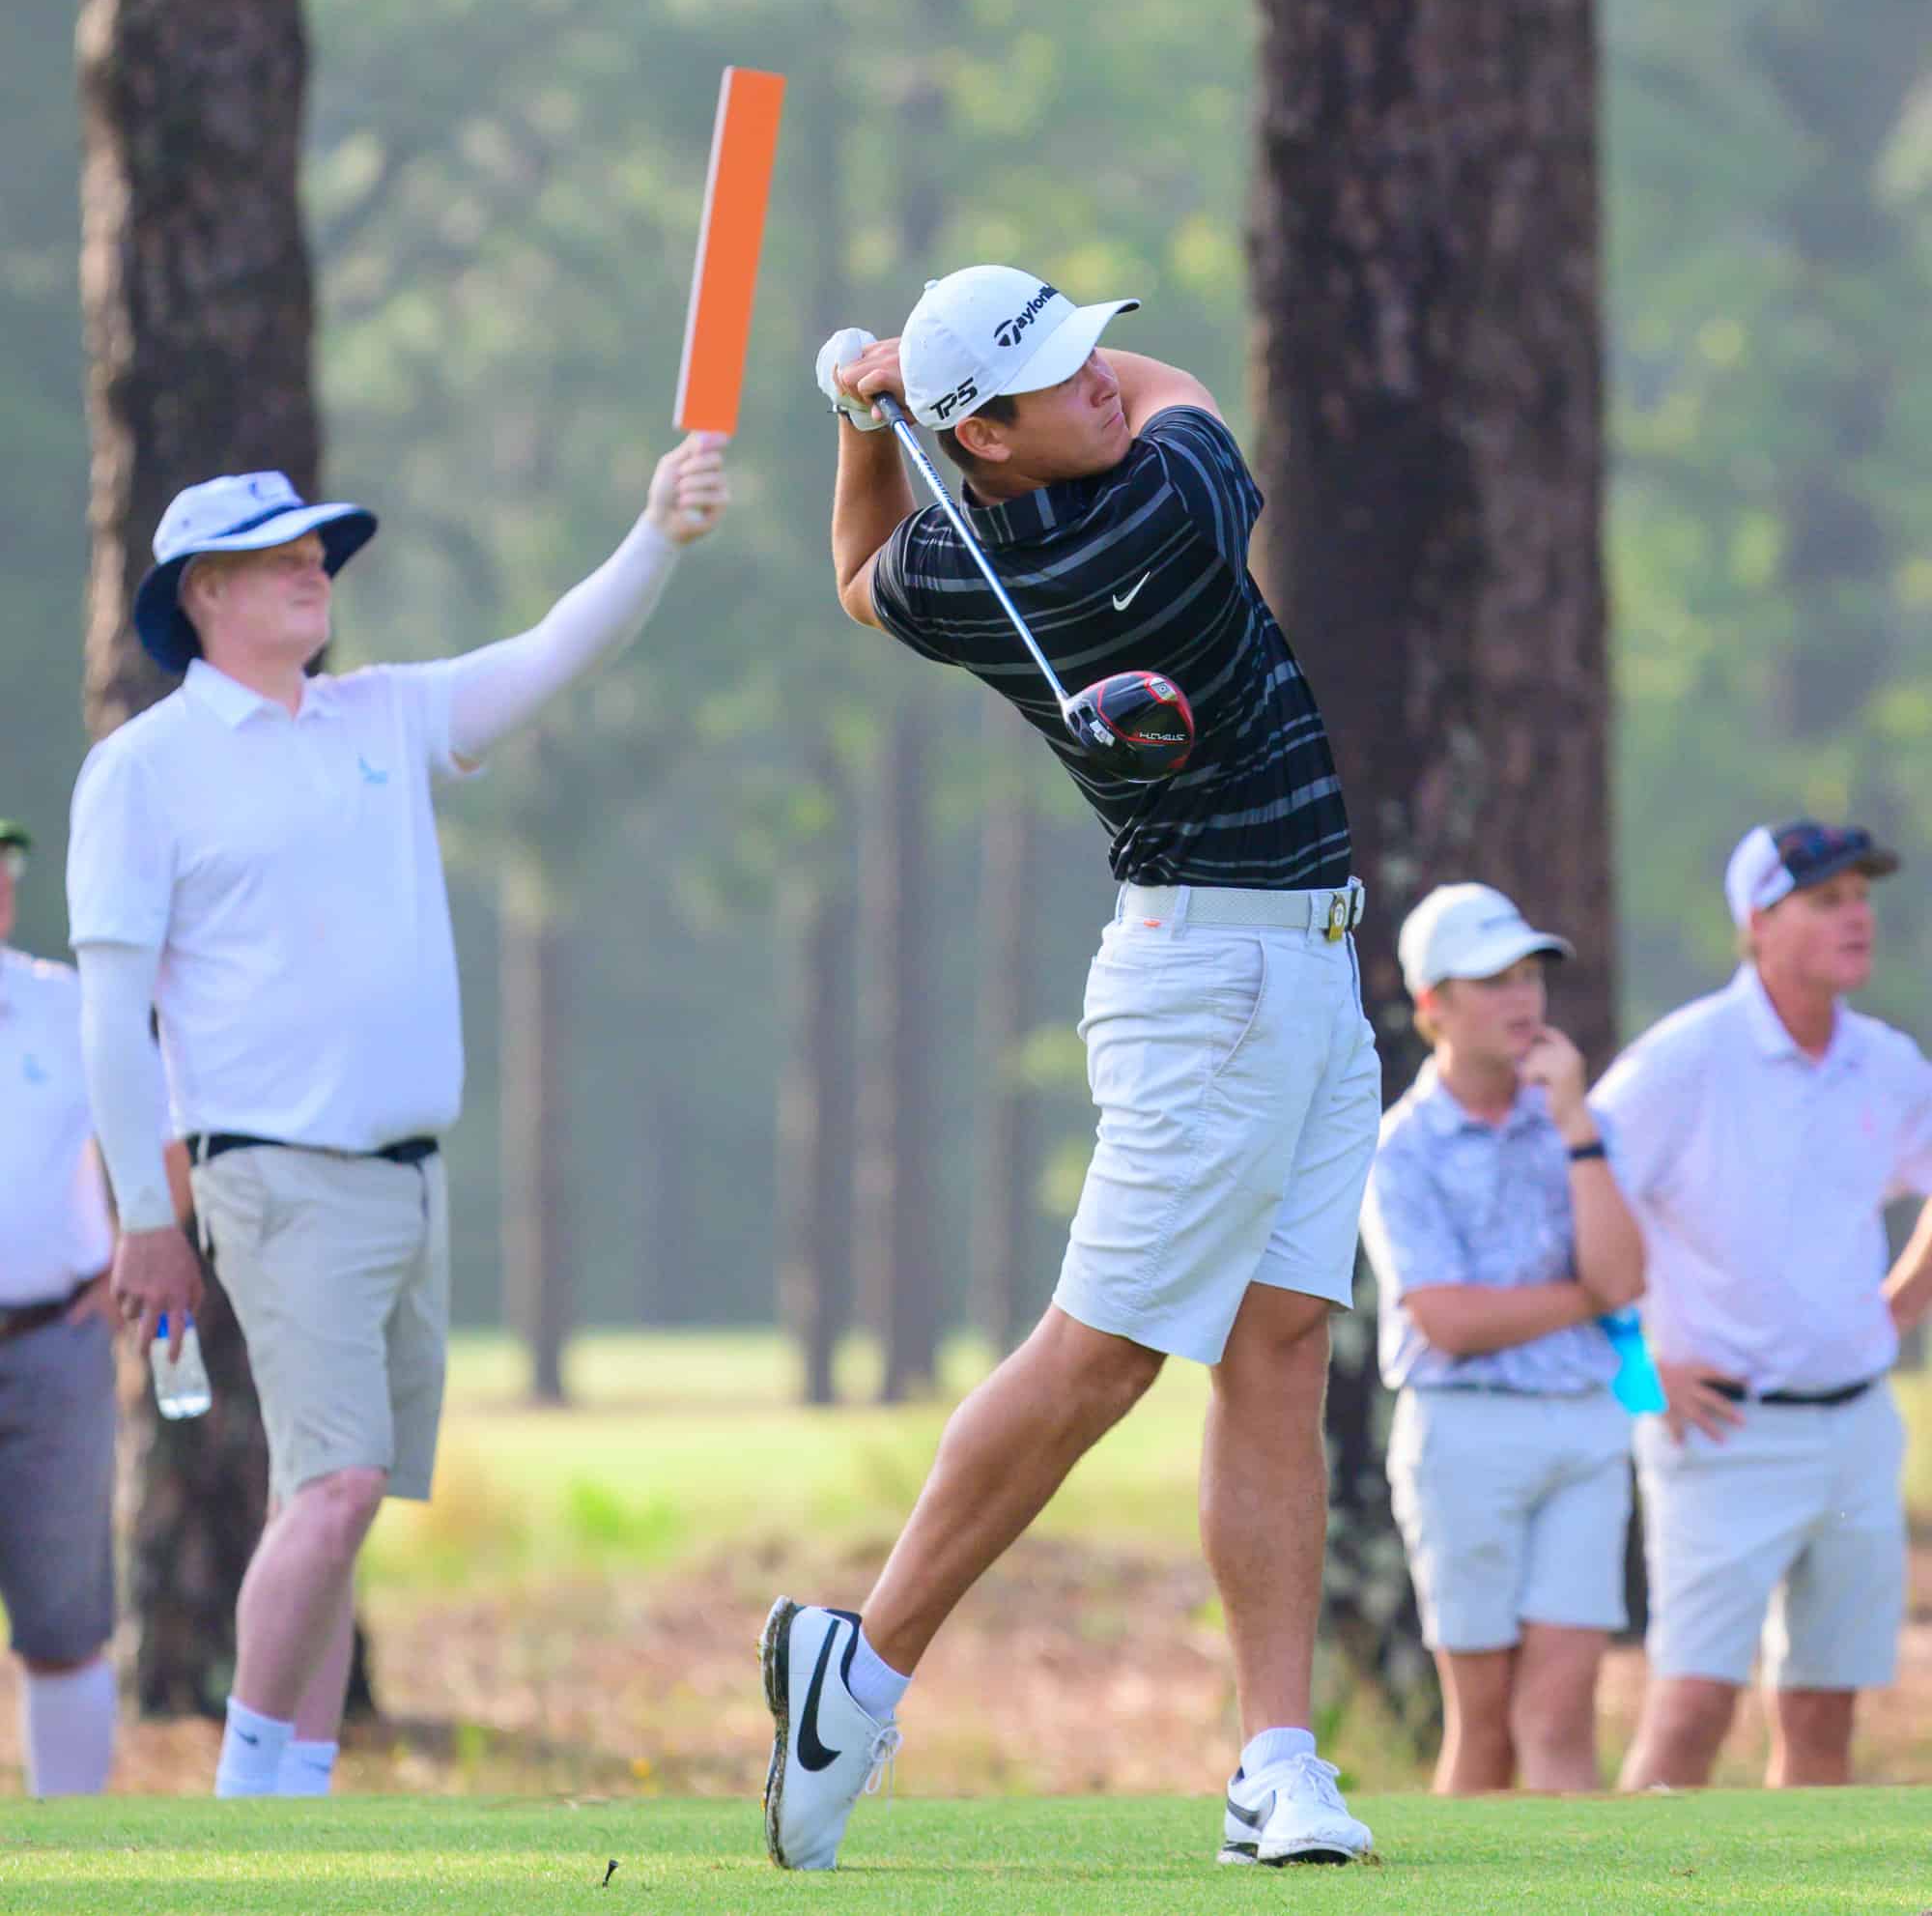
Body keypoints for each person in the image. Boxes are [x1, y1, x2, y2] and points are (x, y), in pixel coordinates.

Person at [764, 266, 1381, 1873]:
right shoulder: (1166, 506)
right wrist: (897, 391)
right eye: (1061, 382)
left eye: (1092, 350)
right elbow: (1191, 399)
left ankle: (1274, 1763)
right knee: (1097, 1360)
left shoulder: (976, 579)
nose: (1106, 381)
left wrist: (858, 419)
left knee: (1281, 1348)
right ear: (988, 439)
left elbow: (850, 577)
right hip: (1225, 983)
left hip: (1293, 963)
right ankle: (865, 1666)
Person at [69, 439, 728, 1798]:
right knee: (340, 1489)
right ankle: (250, 1797)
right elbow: (110, 1018)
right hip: (273, 1173)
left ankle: (297, 1793)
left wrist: (655, 531)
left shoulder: (379, 716)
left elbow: (551, 653)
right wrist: (147, 1218)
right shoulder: (146, 770)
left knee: (328, 1497)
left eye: (321, 549)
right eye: (282, 554)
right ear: (200, 593)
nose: (318, 567)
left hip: (405, 1178)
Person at [1597, 820, 1932, 1791]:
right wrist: (1631, 1371)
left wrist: (1900, 1301)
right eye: (1825, 900)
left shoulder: (1879, 1058)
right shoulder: (1686, 1058)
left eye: (1860, 897)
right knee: (1691, 1707)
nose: (1856, 916)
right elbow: (1570, 1205)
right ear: (1758, 920)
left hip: (1857, 1428)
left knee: (1823, 1710)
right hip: (1718, 1432)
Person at [1360, 883, 1646, 1795]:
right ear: (1433, 1006)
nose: (1522, 998)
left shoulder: (1578, 1121)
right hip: (1462, 1436)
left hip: (1584, 1430)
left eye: (1529, 976)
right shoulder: (1402, 1146)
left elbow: (1626, 1278)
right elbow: (1447, 1321)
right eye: (1492, 981)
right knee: (1484, 1730)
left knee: (1560, 1721)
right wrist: (1581, 1297)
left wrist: (1574, 1127)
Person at [0, 815, 156, 1795]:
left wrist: (125, 1266)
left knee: (63, 1622)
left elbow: (169, 1141)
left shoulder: (70, 1008)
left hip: (52, 1340)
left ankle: (70, 1860)